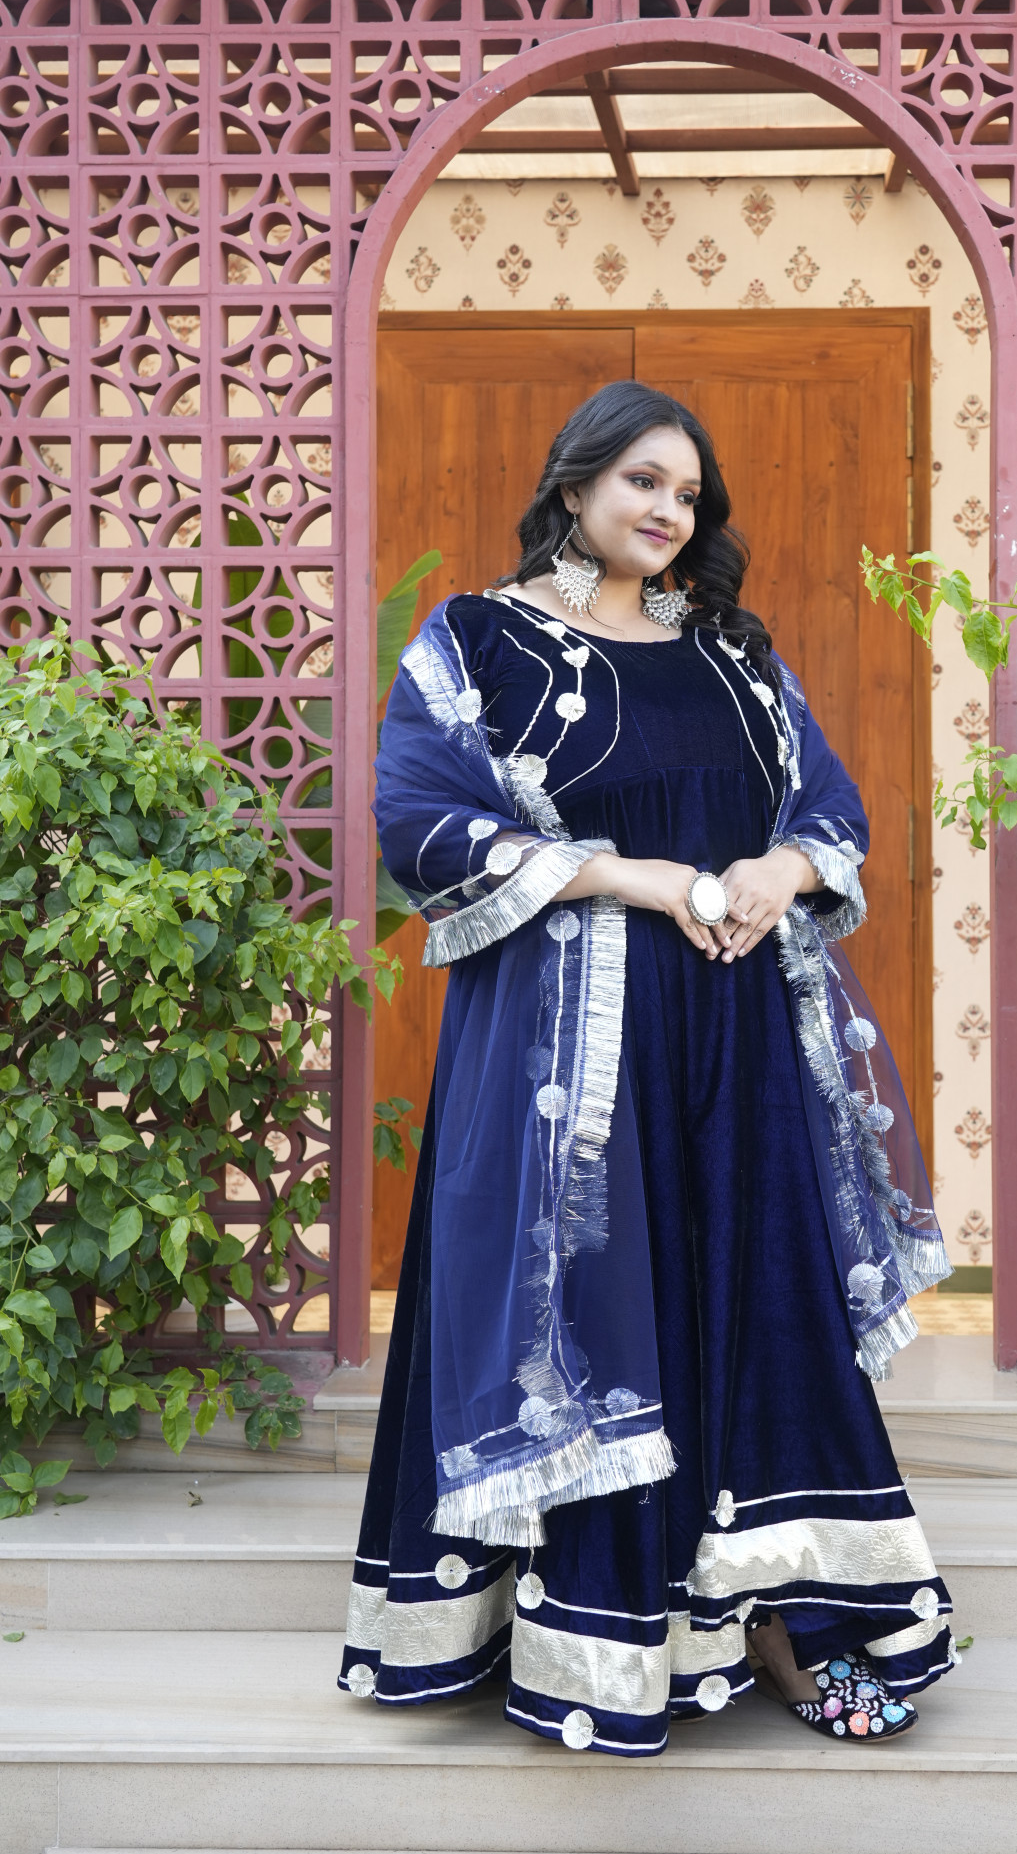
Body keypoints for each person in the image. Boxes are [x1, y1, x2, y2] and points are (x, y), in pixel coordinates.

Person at [339, 379, 956, 1757]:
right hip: (565, 1059)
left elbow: (829, 804)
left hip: (739, 1039)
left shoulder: (731, 654)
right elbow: (419, 821)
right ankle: (581, 1632)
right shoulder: (477, 641)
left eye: (688, 494)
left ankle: (792, 1627)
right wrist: (638, 877)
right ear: (575, 485)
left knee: (759, 1302)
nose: (668, 511)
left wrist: (777, 867)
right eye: (642, 482)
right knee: (594, 1310)